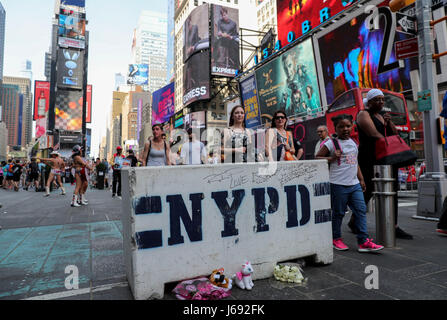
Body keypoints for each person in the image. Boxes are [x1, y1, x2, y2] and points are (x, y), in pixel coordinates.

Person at [316, 114, 384, 253]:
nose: (345, 129)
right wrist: (332, 158)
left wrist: (361, 179)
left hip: (354, 184)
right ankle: (336, 239)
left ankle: (363, 241)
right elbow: (317, 157)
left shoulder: (353, 143)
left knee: (360, 210)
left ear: (352, 126)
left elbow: (355, 163)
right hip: (338, 184)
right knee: (339, 213)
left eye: (348, 126)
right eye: (341, 127)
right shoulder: (331, 143)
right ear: (335, 128)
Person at [356, 88, 413, 240]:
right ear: (369, 101)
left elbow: (394, 134)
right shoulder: (363, 114)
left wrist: (388, 122)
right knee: (367, 190)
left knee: (393, 189)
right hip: (369, 158)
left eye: (382, 99)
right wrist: (389, 145)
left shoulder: (382, 115)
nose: (381, 102)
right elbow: (373, 134)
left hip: (386, 158)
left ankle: (393, 226)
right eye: (377, 99)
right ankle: (355, 220)